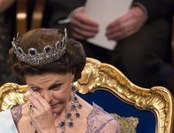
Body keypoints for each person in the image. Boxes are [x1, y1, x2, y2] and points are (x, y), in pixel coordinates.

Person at [42, 0, 174, 89]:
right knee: (65, 49)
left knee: (135, 55)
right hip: (78, 17)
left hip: (147, 19)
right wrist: (73, 11)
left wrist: (143, 10)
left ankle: (141, 125)